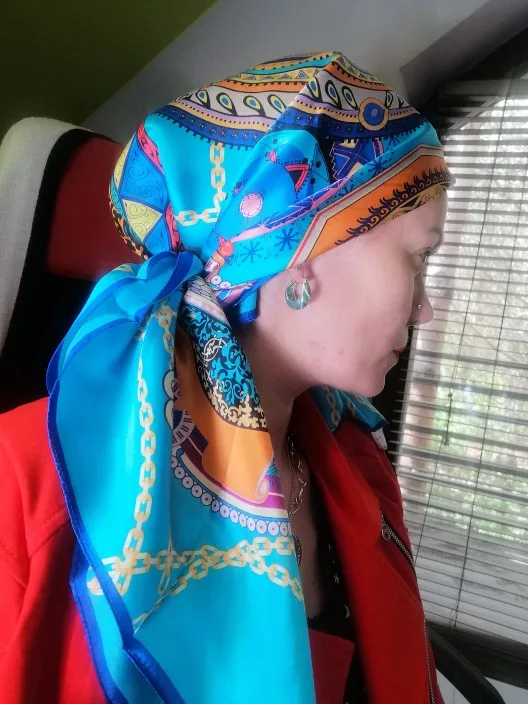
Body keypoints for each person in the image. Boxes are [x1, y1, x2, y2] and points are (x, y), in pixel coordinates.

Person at [0, 51, 452, 703]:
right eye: (417, 258)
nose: (424, 308)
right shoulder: (28, 486)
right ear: (301, 252)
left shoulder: (359, 462)